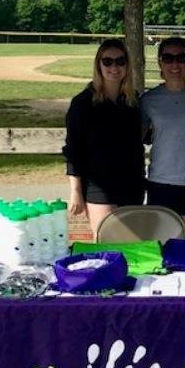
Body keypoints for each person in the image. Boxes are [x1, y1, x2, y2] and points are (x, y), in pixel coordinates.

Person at [63, 39, 144, 236]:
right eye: (107, 62)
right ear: (98, 65)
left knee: (132, 246)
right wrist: (76, 191)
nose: (114, 67)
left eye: (120, 61)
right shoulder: (82, 103)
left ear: (127, 65)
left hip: (131, 185)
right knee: (108, 242)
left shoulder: (133, 101)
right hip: (99, 187)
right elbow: (73, 150)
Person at [141, 37, 185, 239]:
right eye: (168, 58)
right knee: (162, 251)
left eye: (181, 58)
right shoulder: (148, 100)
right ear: (160, 63)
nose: (175, 64)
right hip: (160, 183)